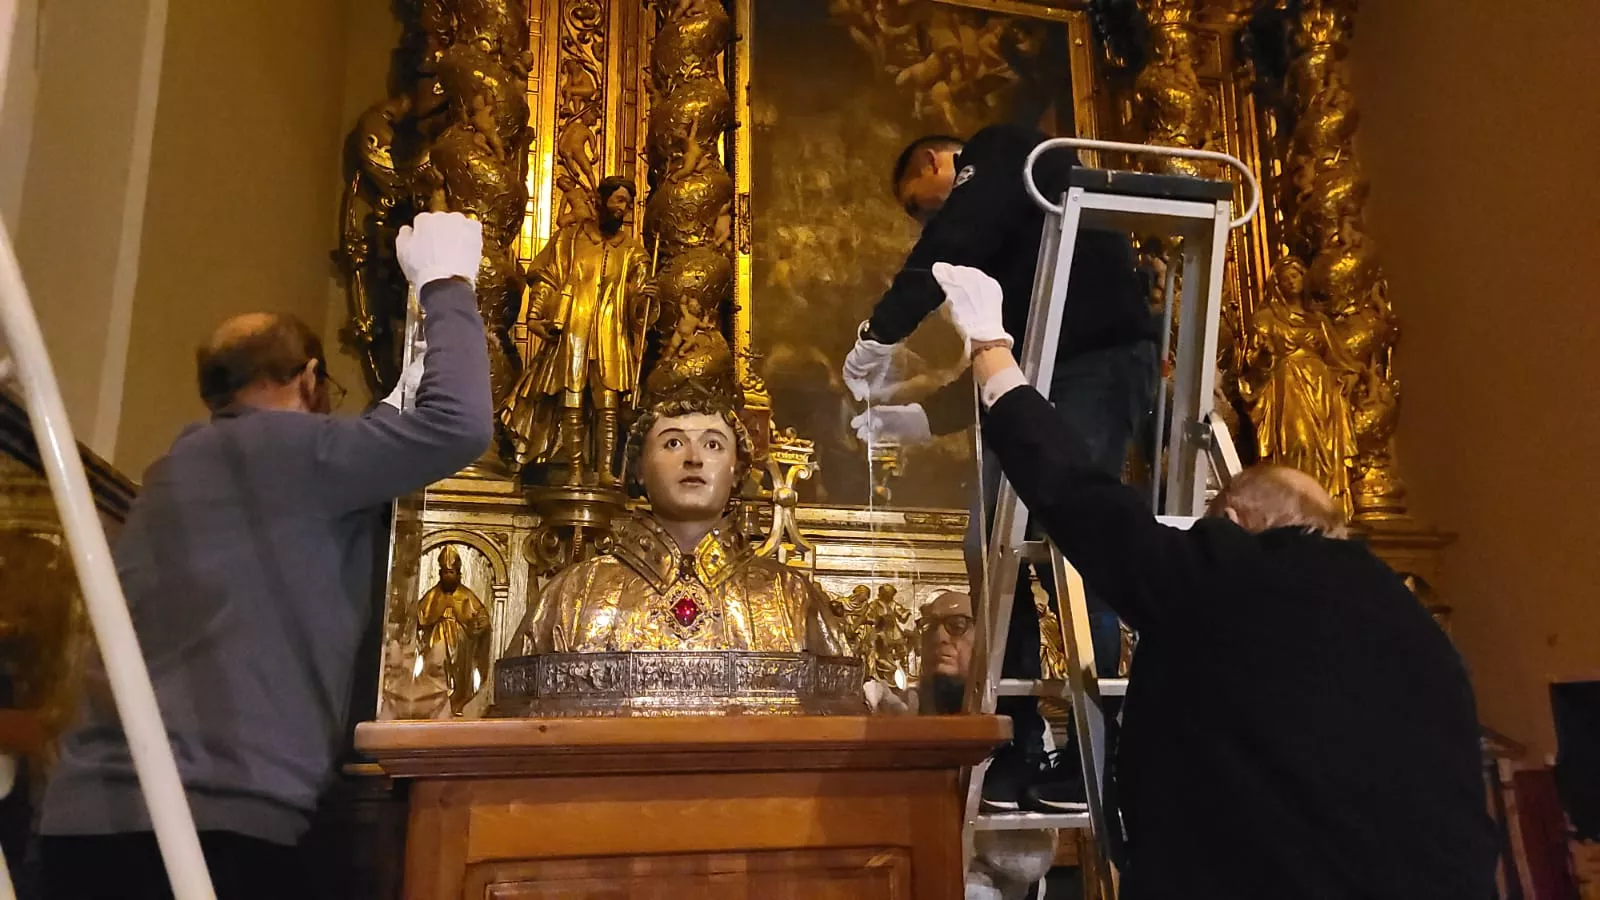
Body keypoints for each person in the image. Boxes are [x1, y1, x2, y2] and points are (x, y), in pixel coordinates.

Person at [932, 263, 1498, 899]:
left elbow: (1079, 497)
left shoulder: (1234, 573)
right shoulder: (1412, 620)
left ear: (1231, 518)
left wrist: (990, 353)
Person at [33, 211, 493, 900]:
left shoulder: (183, 466)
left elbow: (369, 440)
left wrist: (407, 383)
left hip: (85, 825)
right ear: (309, 379)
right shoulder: (296, 455)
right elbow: (458, 424)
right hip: (215, 826)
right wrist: (448, 280)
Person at [845, 124, 1157, 807]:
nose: (925, 215)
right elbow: (1005, 364)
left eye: (918, 201)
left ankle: (1097, 747)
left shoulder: (1008, 150)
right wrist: (915, 420)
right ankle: (1018, 743)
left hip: (1098, 361)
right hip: (1055, 369)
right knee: (986, 547)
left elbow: (953, 238)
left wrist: (880, 331)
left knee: (1081, 538)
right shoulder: (1014, 242)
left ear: (936, 161)